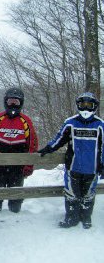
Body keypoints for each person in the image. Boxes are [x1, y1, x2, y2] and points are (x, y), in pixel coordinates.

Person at [38, 92, 104, 229]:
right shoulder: (70, 123)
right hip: (73, 167)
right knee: (71, 194)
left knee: (89, 195)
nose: (86, 109)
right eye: (83, 105)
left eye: (89, 105)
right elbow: (59, 139)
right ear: (78, 106)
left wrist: (102, 165)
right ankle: (71, 218)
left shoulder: (100, 125)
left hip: (92, 169)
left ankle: (86, 217)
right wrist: (48, 148)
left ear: (94, 107)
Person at [0, 87, 38, 213]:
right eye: (10, 102)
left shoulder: (26, 121)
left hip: (18, 165)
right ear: (5, 102)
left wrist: (28, 164)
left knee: (16, 195)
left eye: (16, 102)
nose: (13, 104)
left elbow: (33, 143)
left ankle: (14, 215)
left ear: (21, 103)